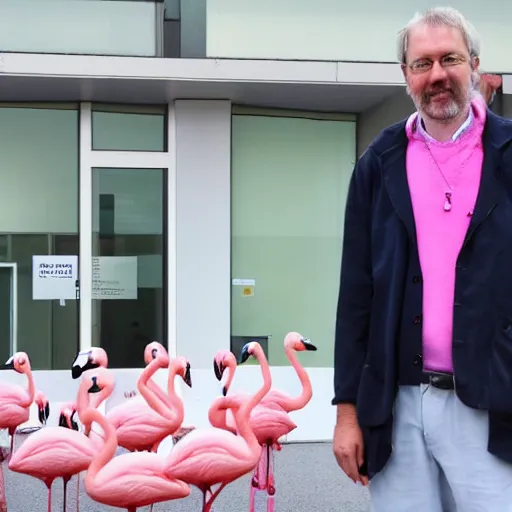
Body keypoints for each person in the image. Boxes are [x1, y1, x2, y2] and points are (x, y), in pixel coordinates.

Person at [331, 6, 512, 512]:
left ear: (474, 64)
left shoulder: (508, 154)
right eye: (422, 63)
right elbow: (355, 294)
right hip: (398, 401)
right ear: (406, 75)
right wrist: (347, 411)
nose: (437, 75)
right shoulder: (379, 162)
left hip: (493, 401)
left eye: (449, 59)